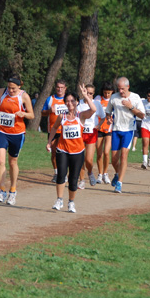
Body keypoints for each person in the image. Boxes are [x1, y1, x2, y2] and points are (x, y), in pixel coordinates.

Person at [47, 85, 96, 213]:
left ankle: (71, 202)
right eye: (67, 101)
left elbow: (94, 109)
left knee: (74, 180)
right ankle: (59, 200)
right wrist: (49, 141)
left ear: (77, 102)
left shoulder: (81, 116)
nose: (70, 103)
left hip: (77, 152)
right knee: (61, 175)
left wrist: (86, 96)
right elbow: (53, 128)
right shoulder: (61, 117)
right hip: (62, 150)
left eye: (72, 101)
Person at [0, 76, 34, 205]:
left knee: (12, 162)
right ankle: (2, 190)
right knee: (0, 160)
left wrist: (24, 114)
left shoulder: (24, 96)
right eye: (9, 88)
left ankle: (13, 191)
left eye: (13, 89)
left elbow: (32, 115)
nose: (10, 90)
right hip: (1, 131)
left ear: (19, 87)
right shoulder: (2, 92)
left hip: (17, 133)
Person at [105, 77, 146, 193]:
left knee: (123, 156)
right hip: (116, 130)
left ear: (128, 87)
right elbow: (108, 111)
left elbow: (142, 115)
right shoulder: (114, 97)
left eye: (123, 89)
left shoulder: (135, 97)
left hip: (128, 130)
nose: (121, 91)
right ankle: (117, 173)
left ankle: (119, 183)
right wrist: (109, 118)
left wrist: (131, 106)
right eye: (119, 89)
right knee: (113, 159)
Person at [77, 84, 106, 188]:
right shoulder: (78, 103)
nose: (88, 95)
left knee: (88, 159)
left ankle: (90, 172)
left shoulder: (96, 104)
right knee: (80, 158)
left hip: (91, 132)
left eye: (91, 93)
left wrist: (99, 125)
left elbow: (102, 117)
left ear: (93, 94)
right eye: (87, 92)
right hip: (79, 133)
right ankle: (81, 180)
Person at [41, 80, 68, 182]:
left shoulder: (68, 99)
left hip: (66, 130)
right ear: (55, 87)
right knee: (54, 153)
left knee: (65, 153)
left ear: (65, 88)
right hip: (53, 130)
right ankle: (56, 173)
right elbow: (42, 113)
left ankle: (64, 173)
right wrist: (49, 111)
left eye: (62, 87)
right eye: (58, 87)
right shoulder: (50, 99)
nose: (59, 89)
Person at [95, 82, 114, 184]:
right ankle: (100, 174)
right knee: (99, 153)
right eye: (105, 92)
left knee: (106, 152)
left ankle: (105, 174)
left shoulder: (114, 100)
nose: (107, 95)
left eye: (109, 93)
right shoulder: (98, 99)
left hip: (109, 130)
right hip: (99, 129)